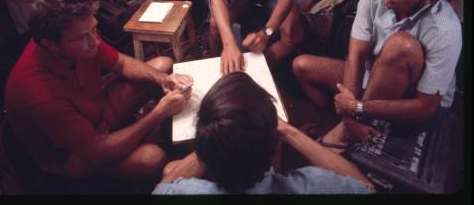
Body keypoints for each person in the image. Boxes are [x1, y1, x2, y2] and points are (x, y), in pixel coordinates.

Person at [5, 0, 194, 185]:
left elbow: (121, 63)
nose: (95, 41)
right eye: (83, 37)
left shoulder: (79, 32)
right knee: (152, 158)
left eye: (94, 29)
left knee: (162, 67)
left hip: (95, 116)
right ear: (50, 45)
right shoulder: (38, 93)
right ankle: (146, 141)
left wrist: (162, 79)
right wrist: (159, 113)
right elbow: (96, 153)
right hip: (73, 155)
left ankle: (143, 135)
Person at [292, 0, 463, 151]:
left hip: (417, 104)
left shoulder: (444, 30)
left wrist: (358, 108)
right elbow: (356, 55)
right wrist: (349, 117)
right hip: (376, 78)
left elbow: (425, 107)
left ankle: (342, 137)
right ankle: (338, 128)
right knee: (302, 66)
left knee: (401, 45)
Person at [152, 72, 373, 194]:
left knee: (170, 169)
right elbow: (366, 188)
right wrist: (288, 131)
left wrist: (216, 139)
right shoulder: (311, 185)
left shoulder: (186, 192)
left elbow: (161, 189)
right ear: (273, 142)